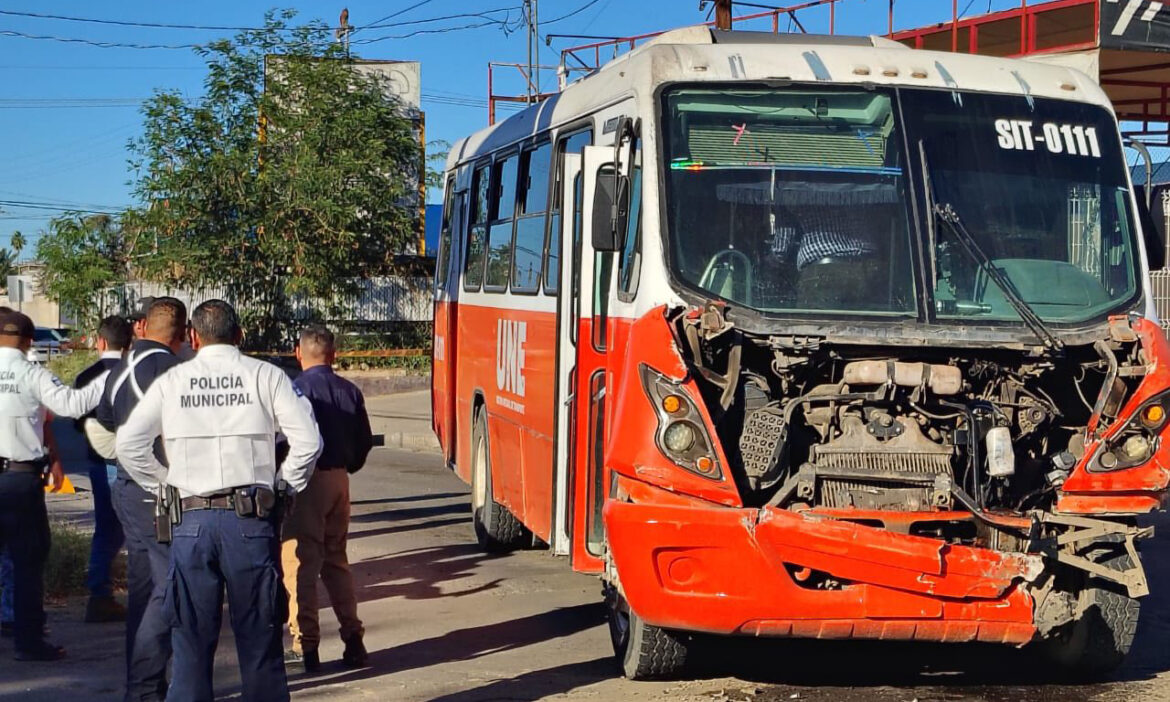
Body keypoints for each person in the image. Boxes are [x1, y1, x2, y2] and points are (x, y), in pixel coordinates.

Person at [117, 300, 321, 702]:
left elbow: (129, 444)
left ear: (193, 337)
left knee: (190, 647)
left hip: (190, 524)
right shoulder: (266, 375)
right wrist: (284, 487)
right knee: (260, 644)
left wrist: (164, 485)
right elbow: (309, 441)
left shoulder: (173, 382)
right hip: (250, 522)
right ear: (240, 335)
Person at [93, 298, 186, 701]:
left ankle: (143, 680)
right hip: (160, 491)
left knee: (144, 591)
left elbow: (106, 423)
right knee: (170, 589)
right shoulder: (175, 371)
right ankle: (148, 685)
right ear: (184, 333)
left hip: (128, 488)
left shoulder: (120, 368)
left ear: (144, 326)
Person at [0, 309, 107, 660]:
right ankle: (28, 641)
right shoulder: (32, 374)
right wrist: (113, 375)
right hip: (18, 480)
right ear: (29, 341)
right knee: (28, 560)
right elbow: (72, 405)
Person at [282, 325, 372, 673]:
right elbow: (363, 442)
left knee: (301, 563)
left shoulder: (295, 390)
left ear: (298, 353)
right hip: (340, 481)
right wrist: (347, 467)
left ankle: (305, 646)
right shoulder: (350, 391)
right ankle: (353, 637)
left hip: (307, 482)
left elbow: (282, 441)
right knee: (336, 561)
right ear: (333, 355)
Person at [80, 315, 133, 624]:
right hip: (133, 459)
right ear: (129, 343)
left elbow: (77, 421)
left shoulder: (87, 376)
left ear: (100, 342)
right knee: (139, 526)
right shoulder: (134, 373)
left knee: (105, 527)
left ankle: (99, 593)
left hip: (99, 460)